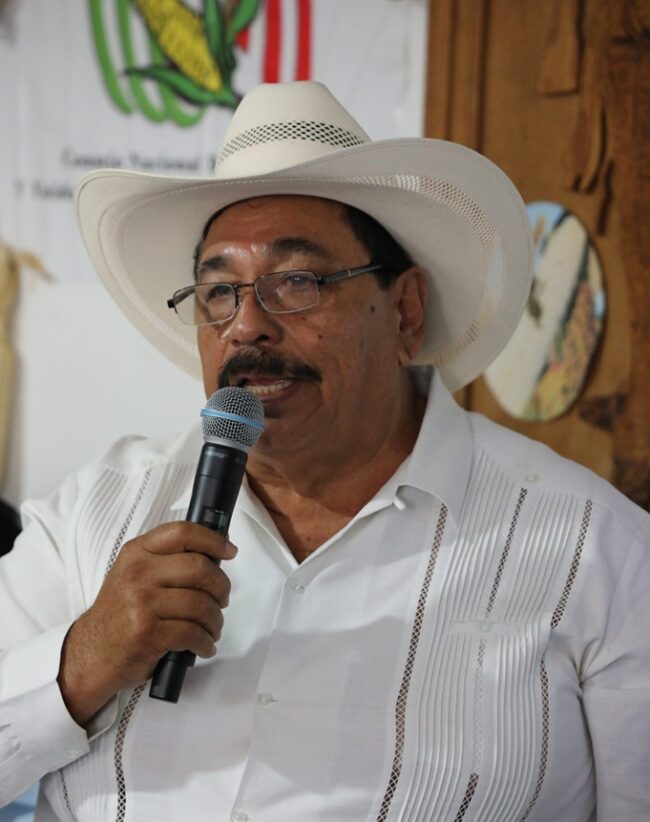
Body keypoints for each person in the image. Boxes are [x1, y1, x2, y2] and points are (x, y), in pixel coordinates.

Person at [1, 81, 648, 822]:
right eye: (218, 292)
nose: (246, 326)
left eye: (297, 281)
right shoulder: (92, 515)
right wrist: (81, 662)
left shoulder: (595, 550)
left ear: (405, 310)